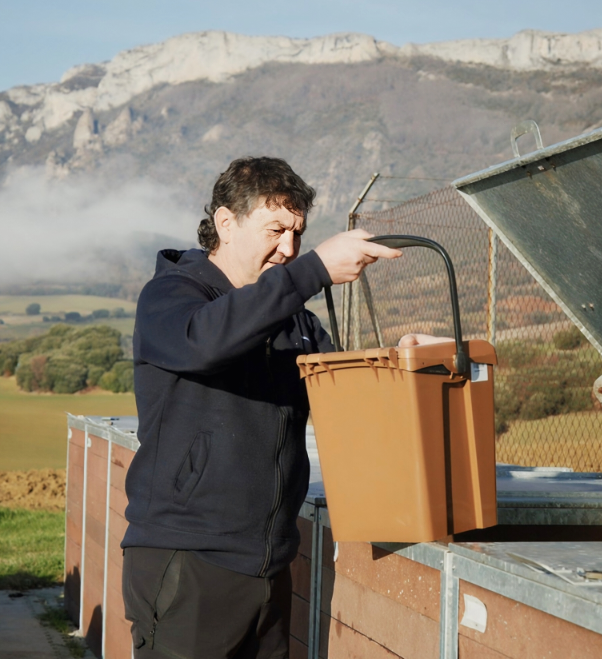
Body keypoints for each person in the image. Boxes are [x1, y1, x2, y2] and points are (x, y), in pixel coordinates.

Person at [121, 156, 403, 658]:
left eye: (298, 234)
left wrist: (406, 361)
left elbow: (350, 400)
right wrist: (314, 271)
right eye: (276, 229)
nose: (289, 249)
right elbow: (205, 342)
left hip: (270, 568)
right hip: (188, 559)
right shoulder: (171, 296)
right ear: (226, 223)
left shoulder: (295, 322)